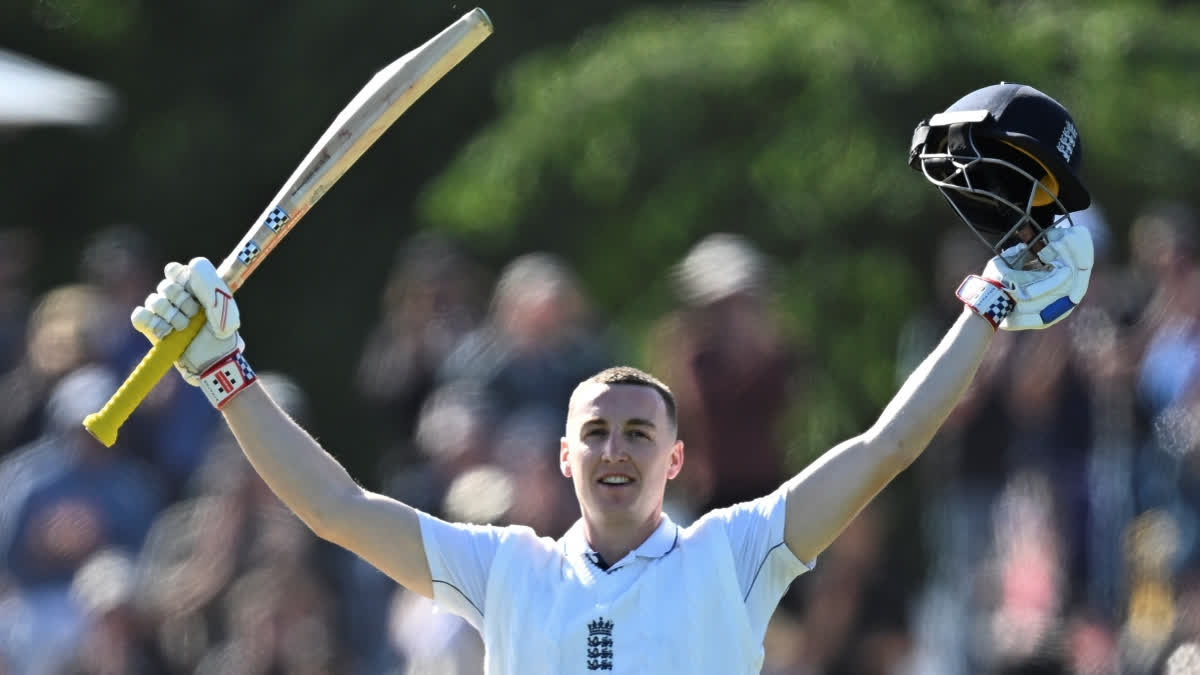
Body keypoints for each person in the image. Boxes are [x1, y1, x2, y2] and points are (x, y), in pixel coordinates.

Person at [127, 82, 1095, 673]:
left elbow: (888, 446)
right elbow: (335, 506)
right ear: (564, 456)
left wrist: (987, 306)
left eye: (638, 433)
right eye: (596, 431)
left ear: (677, 460)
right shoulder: (507, 569)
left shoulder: (735, 554)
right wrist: (223, 371)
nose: (615, 447)